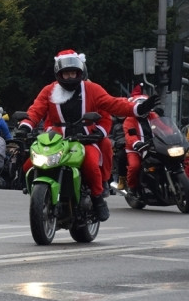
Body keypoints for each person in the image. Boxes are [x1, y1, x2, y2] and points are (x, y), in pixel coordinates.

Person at [16, 50, 155, 222]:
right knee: (30, 162)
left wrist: (137, 109)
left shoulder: (92, 89)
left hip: (85, 138)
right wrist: (24, 127)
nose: (69, 76)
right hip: (55, 139)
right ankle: (38, 192)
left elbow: (112, 104)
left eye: (73, 72)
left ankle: (97, 200)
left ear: (80, 72)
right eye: (66, 73)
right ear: (59, 73)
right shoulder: (48, 90)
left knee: (90, 163)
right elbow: (35, 110)